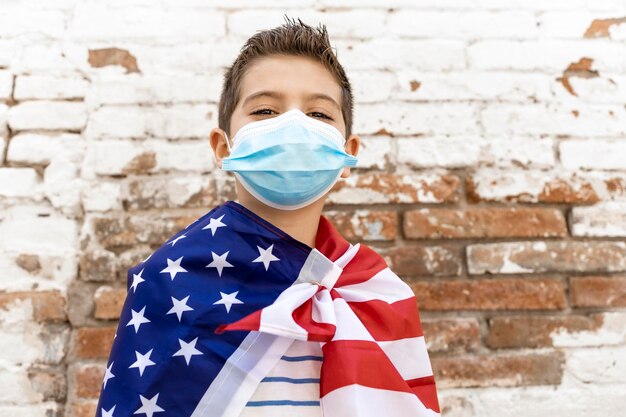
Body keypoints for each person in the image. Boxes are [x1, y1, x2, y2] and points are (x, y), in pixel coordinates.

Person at [94, 15, 440, 417]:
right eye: (264, 110)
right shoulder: (168, 282)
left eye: (319, 115)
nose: (293, 125)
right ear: (223, 148)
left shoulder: (377, 295)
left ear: (348, 155)